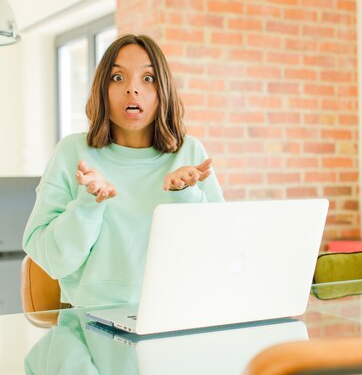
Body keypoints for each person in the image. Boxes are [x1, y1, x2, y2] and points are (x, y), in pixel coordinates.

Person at [22, 34, 224, 308]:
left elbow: (219, 252)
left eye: (148, 78)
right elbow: (51, 259)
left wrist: (187, 195)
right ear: (102, 89)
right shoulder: (72, 153)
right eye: (118, 78)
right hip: (92, 325)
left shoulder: (190, 152)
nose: (132, 89)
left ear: (163, 89)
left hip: (178, 316)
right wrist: (88, 204)